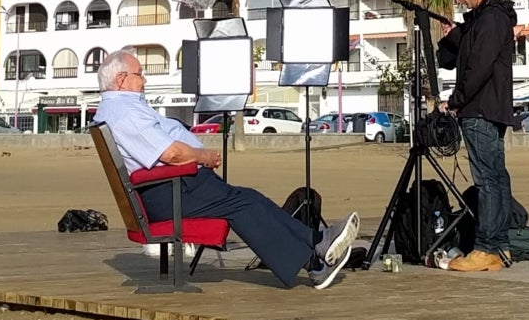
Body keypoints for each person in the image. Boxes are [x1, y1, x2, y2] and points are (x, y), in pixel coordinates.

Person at [93, 51, 358, 289]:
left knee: (248, 199)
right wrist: (203, 156)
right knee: (243, 204)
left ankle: (317, 244)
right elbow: (170, 154)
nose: (144, 81)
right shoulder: (124, 111)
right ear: (120, 79)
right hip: (169, 190)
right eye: (140, 74)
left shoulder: (117, 108)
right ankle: (315, 261)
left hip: (170, 187)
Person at [434, 0, 516, 272]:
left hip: (482, 110)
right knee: (496, 177)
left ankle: (486, 247)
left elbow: (478, 67)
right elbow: (471, 53)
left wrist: (455, 101)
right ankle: (498, 246)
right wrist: (456, 35)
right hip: (486, 108)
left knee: (488, 180)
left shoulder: (492, 18)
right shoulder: (486, 19)